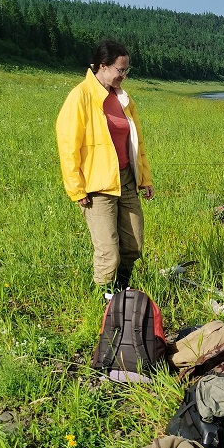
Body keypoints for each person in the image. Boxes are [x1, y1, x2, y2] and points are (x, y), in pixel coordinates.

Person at [56, 38, 154, 291]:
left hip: (127, 179)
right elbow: (68, 146)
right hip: (96, 187)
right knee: (108, 252)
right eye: (120, 70)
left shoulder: (123, 99)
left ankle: (122, 291)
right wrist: (76, 190)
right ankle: (105, 301)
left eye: (126, 70)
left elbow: (136, 142)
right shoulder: (80, 96)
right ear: (102, 66)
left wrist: (145, 178)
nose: (124, 76)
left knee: (133, 245)